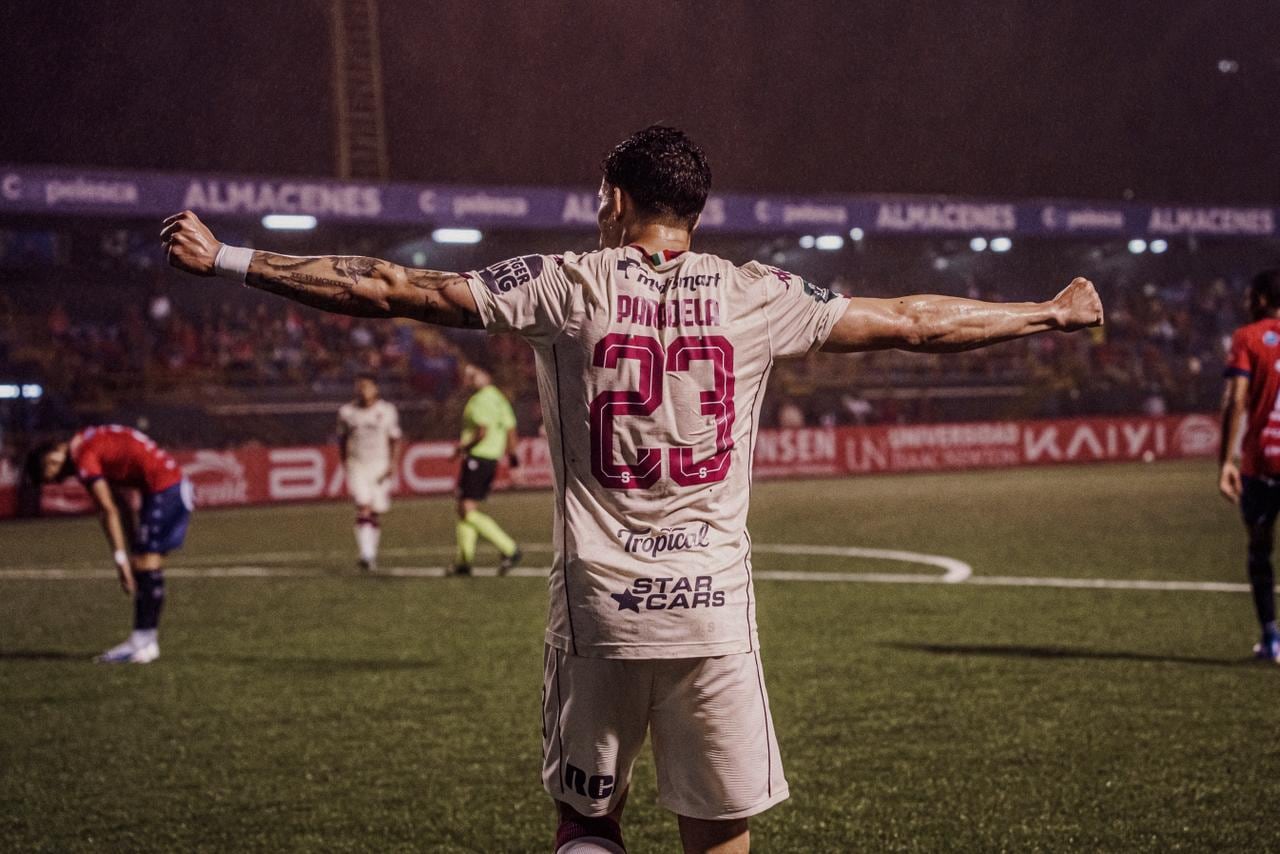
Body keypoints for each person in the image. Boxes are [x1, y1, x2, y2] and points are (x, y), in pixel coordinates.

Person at [162, 125, 1102, 854]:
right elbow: (912, 322)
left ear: (614, 198)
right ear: (698, 207)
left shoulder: (566, 283)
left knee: (587, 827)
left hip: (601, 610)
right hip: (714, 616)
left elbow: (389, 287)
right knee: (720, 834)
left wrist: (231, 260)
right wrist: (1049, 313)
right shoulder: (755, 292)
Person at [25, 424, 193, 663]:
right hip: (165, 488)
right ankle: (143, 641)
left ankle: (144, 644)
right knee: (144, 563)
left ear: (52, 459)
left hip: (165, 489)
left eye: (55, 476)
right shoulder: (88, 442)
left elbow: (107, 510)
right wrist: (133, 546)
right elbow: (121, 503)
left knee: (146, 565)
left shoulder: (82, 456)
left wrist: (120, 560)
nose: (62, 479)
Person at [1217, 268, 1280, 663]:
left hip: (1262, 463)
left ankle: (1272, 638)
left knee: (1260, 548)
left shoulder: (1248, 337)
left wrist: (1226, 460)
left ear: (1258, 299)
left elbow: (1235, 399)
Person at [452, 361, 522, 576]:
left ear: (487, 375)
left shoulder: (481, 399)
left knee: (465, 508)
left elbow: (482, 431)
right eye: (468, 373)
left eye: (475, 372)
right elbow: (510, 428)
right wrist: (512, 456)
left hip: (478, 457)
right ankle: (464, 562)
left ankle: (509, 549)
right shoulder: (499, 398)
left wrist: (463, 447)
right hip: (490, 458)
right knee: (466, 508)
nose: (471, 377)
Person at [338, 374, 403, 571]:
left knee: (375, 510)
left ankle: (370, 553)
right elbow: (342, 439)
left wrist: (392, 464)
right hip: (357, 464)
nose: (362, 390)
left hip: (380, 465)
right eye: (359, 387)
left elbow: (395, 439)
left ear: (375, 389)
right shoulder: (347, 412)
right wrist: (344, 462)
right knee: (363, 506)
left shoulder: (387, 411)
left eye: (366, 386)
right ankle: (366, 554)